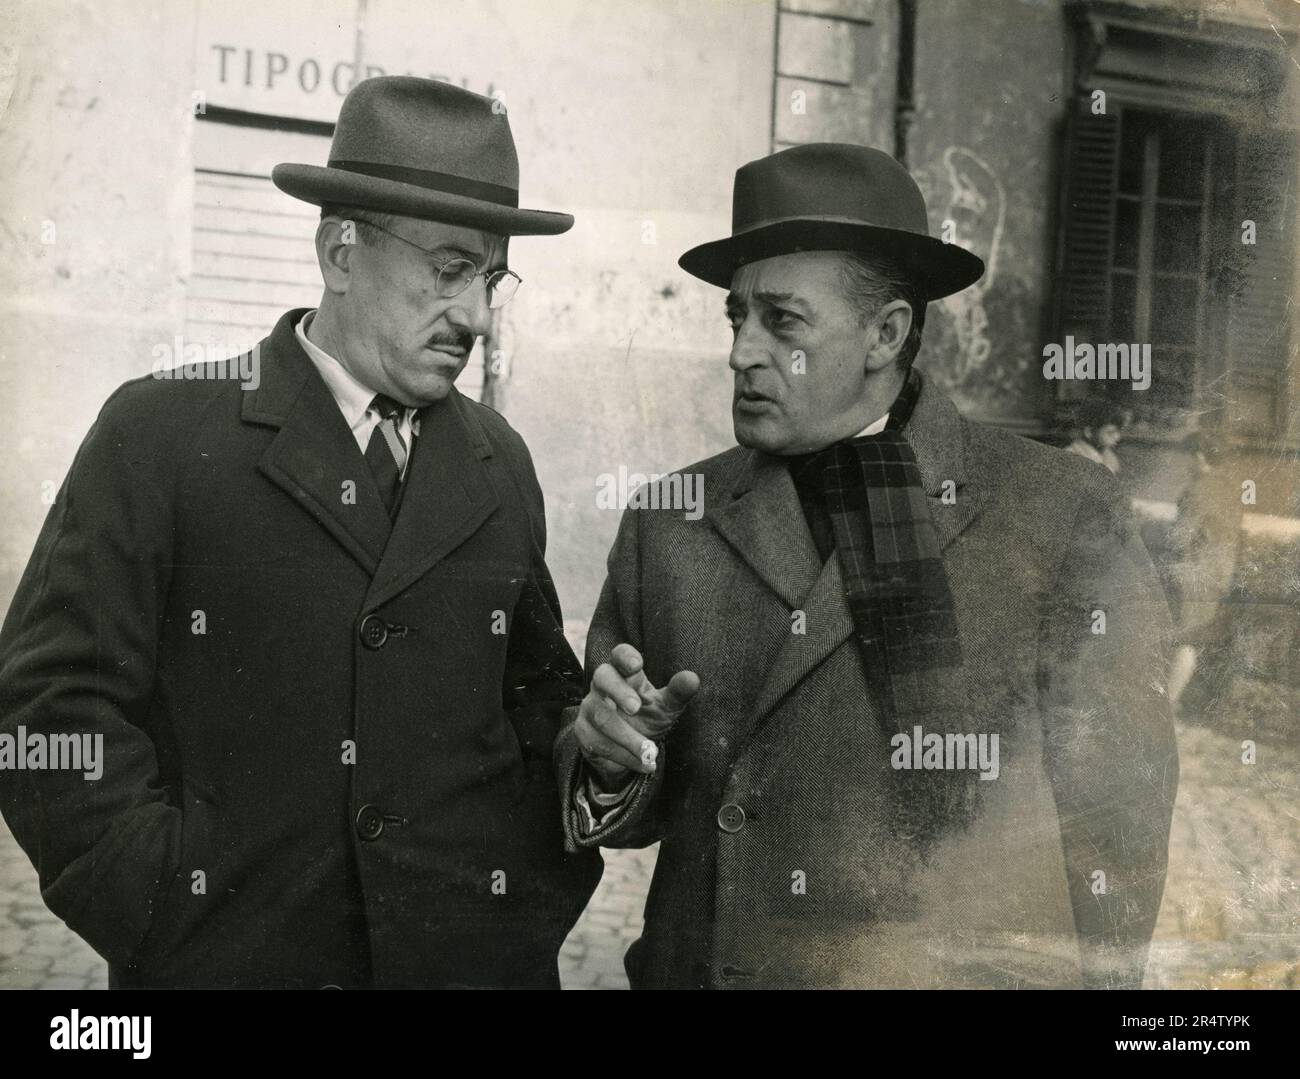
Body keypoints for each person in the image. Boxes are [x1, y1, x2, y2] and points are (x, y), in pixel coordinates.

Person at [0, 76, 600, 988]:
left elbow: (533, 702)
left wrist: (577, 765)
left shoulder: (499, 461)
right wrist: (162, 906)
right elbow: (48, 708)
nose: (477, 315)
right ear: (340, 251)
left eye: (491, 275)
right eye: (448, 269)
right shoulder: (161, 434)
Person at [556, 143, 1178, 989]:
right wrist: (605, 757)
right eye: (735, 317)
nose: (741, 351)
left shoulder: (1061, 514)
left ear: (885, 333)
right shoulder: (669, 522)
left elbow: (1117, 823)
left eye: (782, 321)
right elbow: (624, 793)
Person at [1065, 398, 1125, 475]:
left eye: (1118, 431)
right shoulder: (1071, 456)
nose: (1117, 437)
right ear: (1089, 432)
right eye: (1110, 432)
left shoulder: (1110, 456)